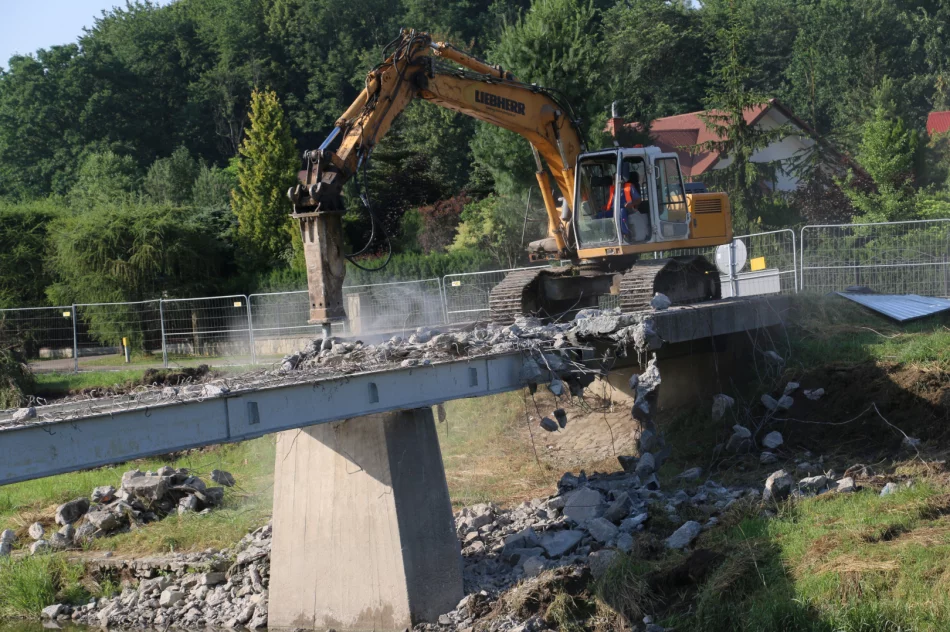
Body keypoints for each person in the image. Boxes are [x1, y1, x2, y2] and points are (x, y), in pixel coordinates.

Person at [597, 171, 642, 240]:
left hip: (628, 208)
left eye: (617, 179)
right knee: (600, 215)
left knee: (622, 211)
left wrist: (631, 204)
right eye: (614, 179)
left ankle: (624, 234)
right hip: (614, 210)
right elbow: (611, 203)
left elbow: (638, 200)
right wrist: (604, 207)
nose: (615, 181)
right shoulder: (612, 189)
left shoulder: (629, 186)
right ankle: (603, 235)